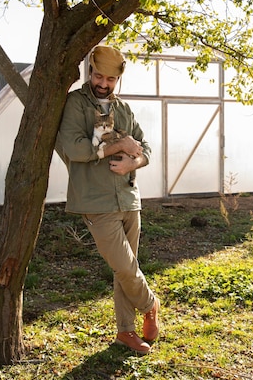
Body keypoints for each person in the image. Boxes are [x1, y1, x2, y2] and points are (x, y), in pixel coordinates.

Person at [56, 45, 160, 355]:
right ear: (90, 72)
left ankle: (125, 332)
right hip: (96, 201)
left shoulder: (124, 109)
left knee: (124, 270)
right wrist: (116, 147)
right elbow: (74, 149)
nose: (104, 83)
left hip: (128, 198)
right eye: (99, 76)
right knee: (126, 268)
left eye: (111, 79)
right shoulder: (75, 104)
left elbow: (146, 149)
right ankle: (150, 304)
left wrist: (134, 163)